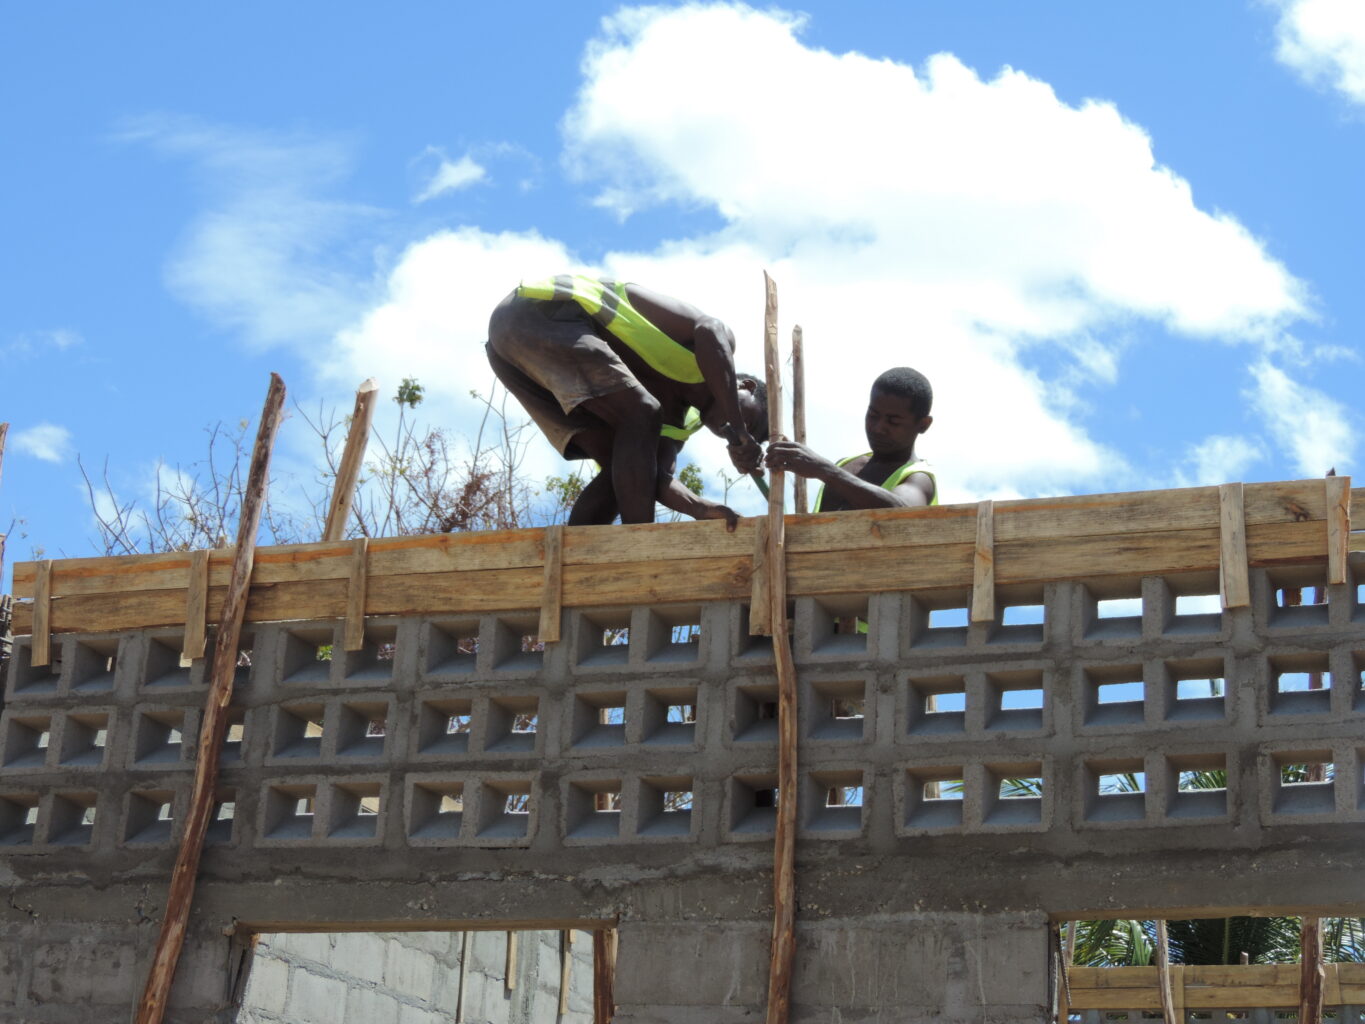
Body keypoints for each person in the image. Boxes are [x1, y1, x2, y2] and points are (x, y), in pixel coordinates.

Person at [486, 274, 768, 526]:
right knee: (643, 412)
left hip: (514, 361)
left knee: (622, 468)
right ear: (746, 385)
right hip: (538, 312)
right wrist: (740, 430)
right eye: (750, 420)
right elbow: (710, 328)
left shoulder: (677, 422)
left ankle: (574, 562)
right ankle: (639, 543)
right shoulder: (714, 345)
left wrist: (699, 507)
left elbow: (655, 477)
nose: (731, 434)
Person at [764, 366, 936, 510]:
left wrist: (824, 470)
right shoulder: (846, 465)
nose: (878, 428)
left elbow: (903, 513)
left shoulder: (918, 477)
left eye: (893, 421)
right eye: (873, 415)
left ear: (923, 425)